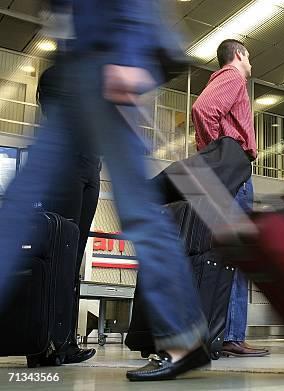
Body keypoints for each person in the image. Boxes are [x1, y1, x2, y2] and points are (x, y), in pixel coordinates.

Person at [0, 0, 211, 381]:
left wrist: (129, 56)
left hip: (106, 62)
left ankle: (183, 336)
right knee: (18, 206)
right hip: (78, 66)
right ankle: (184, 336)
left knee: (137, 209)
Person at [191, 39, 268, 358]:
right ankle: (232, 334)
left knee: (223, 255)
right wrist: (219, 157)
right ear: (239, 55)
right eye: (248, 57)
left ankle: (222, 333)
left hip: (228, 170)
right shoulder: (233, 76)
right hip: (233, 171)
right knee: (236, 255)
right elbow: (203, 110)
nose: (250, 64)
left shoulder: (225, 80)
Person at [37, 65, 100, 364]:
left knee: (73, 257)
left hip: (91, 165)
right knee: (57, 255)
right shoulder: (55, 75)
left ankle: (64, 340)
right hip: (65, 163)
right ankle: (45, 342)